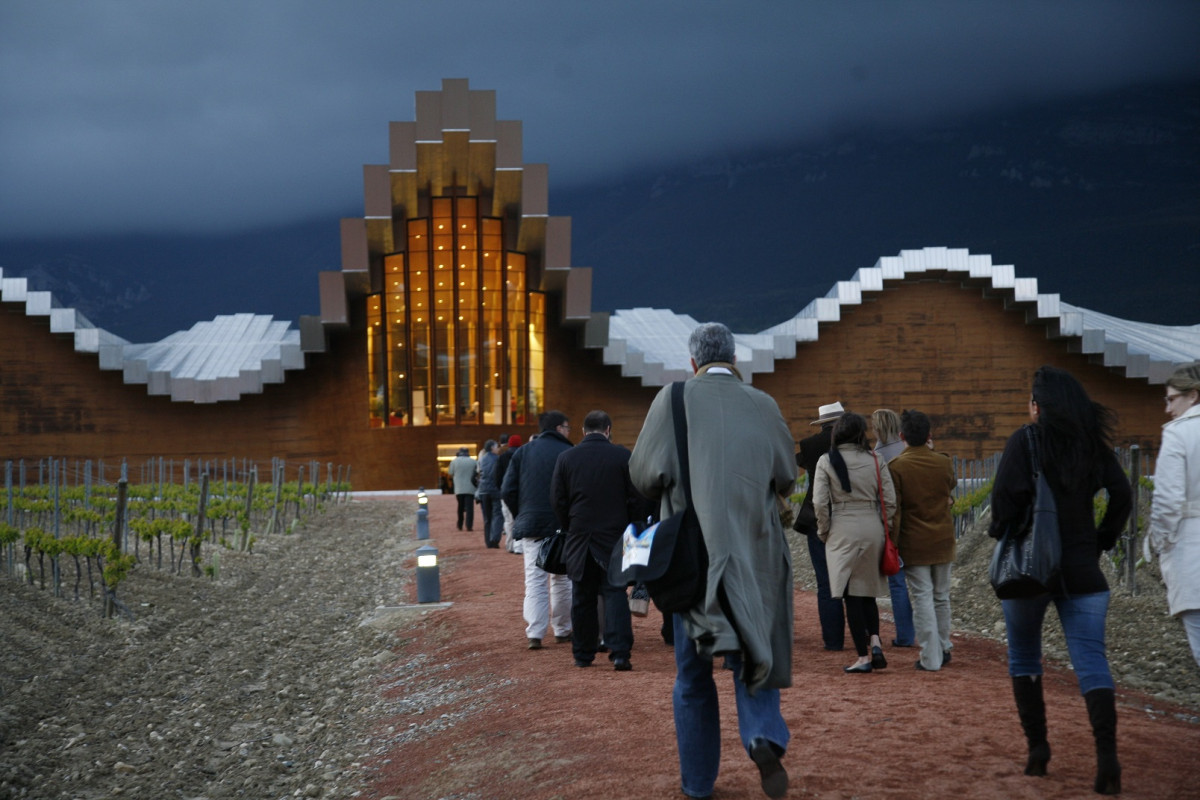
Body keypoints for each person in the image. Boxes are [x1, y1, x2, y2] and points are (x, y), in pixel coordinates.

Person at [630, 322, 796, 800]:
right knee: (755, 655)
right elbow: (785, 473)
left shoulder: (673, 400)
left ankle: (698, 784)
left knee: (691, 675)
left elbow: (643, 474)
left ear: (692, 362)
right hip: (756, 555)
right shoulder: (763, 404)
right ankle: (762, 736)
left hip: (694, 559)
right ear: (735, 360)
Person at [988, 365, 1131, 794]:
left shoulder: (1025, 441)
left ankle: (1038, 750)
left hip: (1030, 569)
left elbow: (1004, 501)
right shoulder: (1092, 446)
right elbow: (1122, 495)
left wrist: (1003, 532)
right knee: (1091, 662)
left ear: (1037, 406)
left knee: (1025, 657)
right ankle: (1106, 757)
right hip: (1083, 569)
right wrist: (1102, 539)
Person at [552, 410, 643, 671]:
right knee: (615, 592)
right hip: (614, 537)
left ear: (583, 431)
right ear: (608, 429)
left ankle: (583, 653)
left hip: (580, 537)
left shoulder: (567, 458)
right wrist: (631, 525)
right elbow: (636, 497)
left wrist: (570, 526)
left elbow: (557, 499)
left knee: (582, 596)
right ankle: (620, 652)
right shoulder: (623, 456)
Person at [814, 412, 897, 673]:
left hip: (842, 526)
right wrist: (884, 527)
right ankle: (875, 640)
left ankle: (862, 657)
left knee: (850, 594)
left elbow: (819, 502)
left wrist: (824, 532)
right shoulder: (876, 459)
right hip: (872, 526)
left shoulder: (826, 460)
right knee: (868, 591)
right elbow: (890, 500)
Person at [887, 410, 957, 671]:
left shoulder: (897, 467)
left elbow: (896, 510)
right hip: (943, 539)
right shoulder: (943, 462)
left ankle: (931, 657)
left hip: (914, 543)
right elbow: (951, 486)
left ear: (901, 436)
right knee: (941, 597)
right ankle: (944, 646)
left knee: (923, 598)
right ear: (929, 436)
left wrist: (893, 544)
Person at [502, 411, 574, 650]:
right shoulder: (567, 452)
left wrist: (521, 512)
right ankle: (563, 629)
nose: (568, 431)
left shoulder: (523, 452)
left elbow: (507, 490)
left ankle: (535, 632)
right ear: (558, 427)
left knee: (535, 580)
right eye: (567, 427)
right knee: (562, 579)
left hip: (532, 524)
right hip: (562, 525)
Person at [1147, 362, 1200, 667]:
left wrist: (1159, 541)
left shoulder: (1179, 434)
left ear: (1192, 396)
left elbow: (1168, 500)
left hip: (1192, 551)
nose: (1167, 408)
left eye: (1171, 399)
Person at [795, 401, 848, 651]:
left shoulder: (809, 446)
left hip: (817, 517)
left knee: (826, 583)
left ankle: (833, 640)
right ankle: (867, 635)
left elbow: (798, 460)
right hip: (850, 517)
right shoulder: (857, 446)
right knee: (854, 582)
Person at [872, 408, 915, 649]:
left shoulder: (877, 456)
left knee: (897, 583)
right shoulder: (908, 449)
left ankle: (905, 636)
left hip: (891, 526)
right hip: (916, 522)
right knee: (921, 583)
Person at [497, 434, 522, 552]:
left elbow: (496, 476)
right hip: (521, 493)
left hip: (505, 493)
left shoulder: (502, 457)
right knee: (519, 519)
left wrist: (501, 489)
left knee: (508, 521)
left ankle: (509, 544)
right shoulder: (523, 455)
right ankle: (518, 546)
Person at [476, 439, 502, 548]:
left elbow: (477, 474)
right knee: (497, 514)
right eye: (496, 446)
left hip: (483, 490)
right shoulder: (497, 459)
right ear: (492, 447)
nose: (498, 449)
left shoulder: (481, 460)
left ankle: (488, 541)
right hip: (495, 490)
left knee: (487, 517)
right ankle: (494, 539)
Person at [447, 447, 477, 531]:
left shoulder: (454, 461)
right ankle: (469, 526)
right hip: (471, 488)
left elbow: (450, 473)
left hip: (459, 488)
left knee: (460, 507)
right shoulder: (473, 461)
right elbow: (477, 472)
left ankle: (460, 524)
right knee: (470, 508)